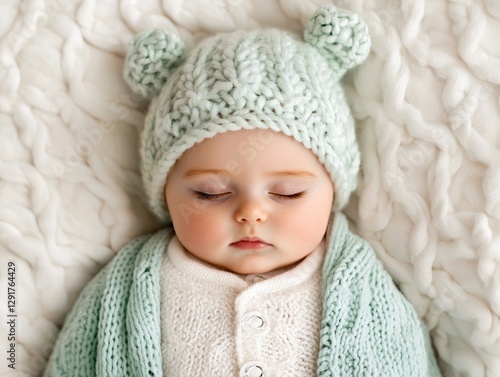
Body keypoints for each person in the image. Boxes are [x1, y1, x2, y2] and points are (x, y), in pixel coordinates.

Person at [44, 5, 442, 377]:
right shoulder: (128, 289)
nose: (251, 213)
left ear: (333, 194)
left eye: (287, 193)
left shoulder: (360, 286)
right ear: (165, 195)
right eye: (210, 192)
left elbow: (405, 359)